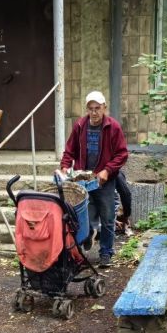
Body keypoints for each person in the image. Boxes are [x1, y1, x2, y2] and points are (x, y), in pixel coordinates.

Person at [60, 91, 128, 267]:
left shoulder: (113, 127)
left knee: (107, 218)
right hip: (84, 180)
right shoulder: (80, 125)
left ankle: (105, 252)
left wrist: (107, 170)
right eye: (91, 109)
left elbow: (122, 154)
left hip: (105, 181)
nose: (94, 112)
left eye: (97, 108)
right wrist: (65, 167)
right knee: (84, 217)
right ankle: (88, 236)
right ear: (87, 109)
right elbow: (69, 151)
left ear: (104, 108)